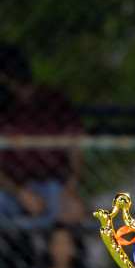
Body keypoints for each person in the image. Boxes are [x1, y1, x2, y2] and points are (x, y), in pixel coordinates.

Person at [0, 44, 85, 230]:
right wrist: (20, 192)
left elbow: (75, 150)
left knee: (70, 211)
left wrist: (70, 190)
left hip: (51, 184)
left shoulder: (52, 101)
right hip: (11, 188)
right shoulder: (4, 109)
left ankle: (58, 254)